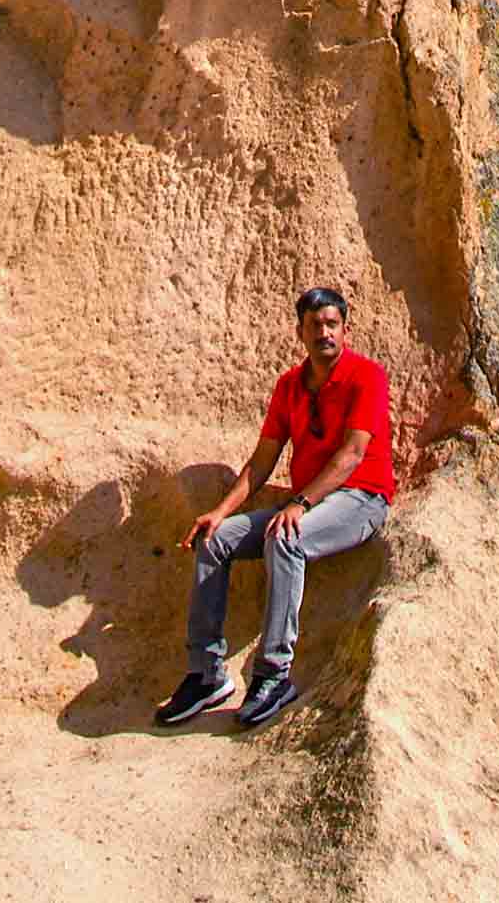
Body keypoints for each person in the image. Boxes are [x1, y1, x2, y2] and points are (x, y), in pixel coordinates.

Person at [157, 285, 395, 732]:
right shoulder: (289, 386)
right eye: (315, 325)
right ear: (300, 331)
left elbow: (352, 455)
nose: (324, 333)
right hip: (312, 502)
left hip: (362, 498)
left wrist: (301, 502)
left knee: (285, 538)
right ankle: (207, 674)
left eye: (332, 324)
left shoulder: (367, 376)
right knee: (217, 540)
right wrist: (220, 512)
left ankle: (273, 675)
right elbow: (261, 461)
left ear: (345, 329)